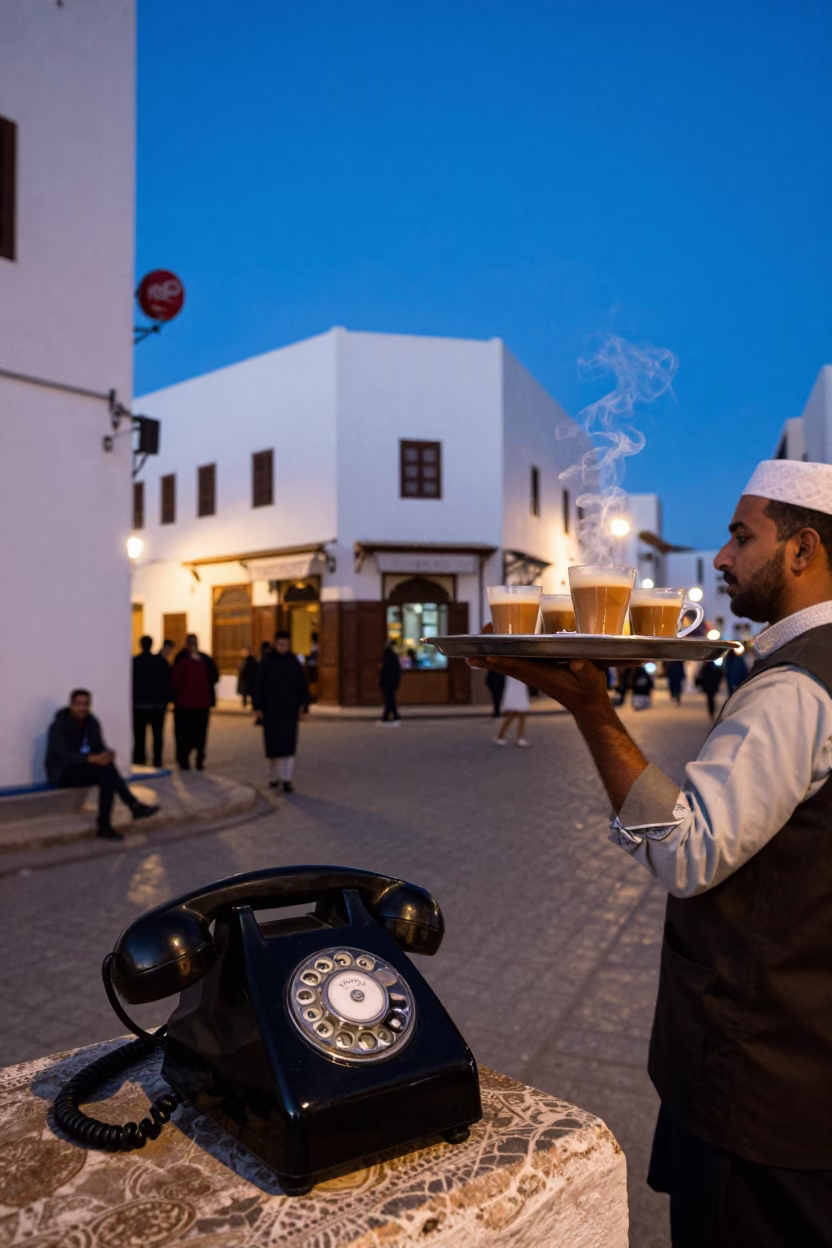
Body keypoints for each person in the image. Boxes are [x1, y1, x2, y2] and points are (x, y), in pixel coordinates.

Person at [469, 459, 832, 1247]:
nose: (723, 559)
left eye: (742, 537)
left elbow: (687, 853)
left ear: (802, 551)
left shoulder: (797, 687)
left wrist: (594, 713)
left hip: (762, 1088)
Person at [46, 689, 159, 840]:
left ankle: (107, 824)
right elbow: (61, 754)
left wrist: (106, 754)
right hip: (63, 771)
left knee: (107, 774)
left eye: (86, 704)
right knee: (107, 773)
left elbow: (98, 746)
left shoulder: (92, 722)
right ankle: (132, 807)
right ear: (71, 705)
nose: (82, 708)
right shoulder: (59, 725)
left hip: (85, 767)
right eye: (78, 704)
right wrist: (90, 759)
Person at [253, 630, 309, 792]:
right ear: (276, 644)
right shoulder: (267, 662)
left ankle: (287, 779)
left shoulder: (294, 662)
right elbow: (259, 685)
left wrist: (302, 707)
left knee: (288, 745)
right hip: (271, 711)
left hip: (289, 711)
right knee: (273, 746)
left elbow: (301, 686)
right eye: (280, 644)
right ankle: (273, 777)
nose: (283, 647)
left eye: (286, 644)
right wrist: (258, 707)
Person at [170, 634, 219, 770]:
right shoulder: (184, 659)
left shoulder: (202, 659)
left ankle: (195, 758)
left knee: (196, 734)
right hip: (186, 705)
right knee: (190, 734)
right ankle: (186, 759)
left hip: (196, 705)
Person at [132, 635, 171, 768]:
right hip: (156, 706)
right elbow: (167, 683)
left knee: (139, 737)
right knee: (157, 736)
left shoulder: (134, 662)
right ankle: (157, 760)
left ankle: (139, 760)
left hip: (139, 706)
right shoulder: (160, 662)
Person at [494, 675, 531, 747]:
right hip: (514, 688)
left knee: (519, 714)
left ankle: (518, 737)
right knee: (513, 715)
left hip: (518, 687)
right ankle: (501, 736)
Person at [378, 641, 402, 725]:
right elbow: (397, 670)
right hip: (392, 681)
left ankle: (390, 716)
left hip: (387, 681)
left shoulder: (385, 657)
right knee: (390, 699)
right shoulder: (393, 656)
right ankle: (393, 715)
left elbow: (383, 671)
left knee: (389, 699)